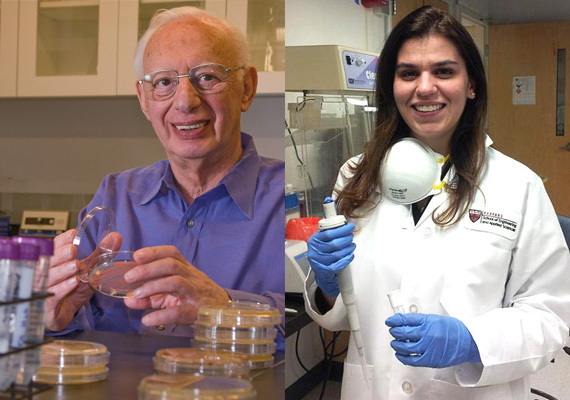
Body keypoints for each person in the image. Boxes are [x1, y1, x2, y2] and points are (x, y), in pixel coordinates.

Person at [305, 6, 570, 399]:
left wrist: (471, 340)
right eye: (408, 73)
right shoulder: (356, 175)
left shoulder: (519, 185)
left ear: (472, 84)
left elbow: (550, 318)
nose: (424, 87)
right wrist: (326, 285)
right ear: (391, 86)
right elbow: (345, 316)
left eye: (444, 71)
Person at [44, 6, 285, 349]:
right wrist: (54, 318)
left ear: (246, 88)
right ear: (144, 100)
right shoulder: (115, 196)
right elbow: (74, 330)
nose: (185, 101)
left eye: (207, 77)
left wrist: (226, 310)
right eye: (164, 82)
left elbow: (312, 319)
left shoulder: (285, 200)